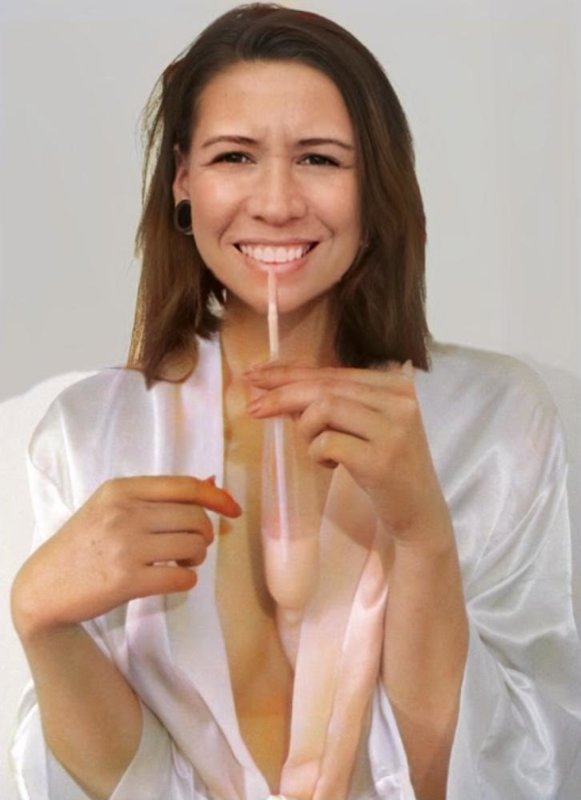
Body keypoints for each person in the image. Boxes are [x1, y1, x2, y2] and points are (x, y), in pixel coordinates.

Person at [9, 4, 581, 800]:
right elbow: (131, 784)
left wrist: (420, 536)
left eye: (318, 159)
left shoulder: (492, 422)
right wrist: (39, 618)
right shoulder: (90, 435)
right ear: (182, 180)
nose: (276, 203)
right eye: (233, 156)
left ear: (374, 185)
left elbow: (509, 771)